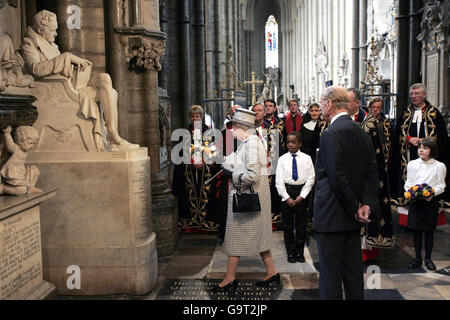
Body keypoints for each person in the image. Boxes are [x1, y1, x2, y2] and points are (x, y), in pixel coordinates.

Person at [21, 10, 137, 151]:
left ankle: (113, 133)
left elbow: (58, 66)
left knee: (105, 79)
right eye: (53, 30)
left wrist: (74, 67)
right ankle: (113, 136)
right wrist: (66, 58)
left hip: (67, 86)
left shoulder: (52, 46)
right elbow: (36, 69)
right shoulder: (29, 45)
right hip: (54, 92)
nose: (56, 34)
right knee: (107, 92)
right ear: (41, 29)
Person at [313, 86, 378, 300]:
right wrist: (365, 204)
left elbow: (336, 177)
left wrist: (354, 209)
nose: (321, 106)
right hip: (354, 216)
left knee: (330, 276)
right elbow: (371, 171)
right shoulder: (361, 131)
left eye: (322, 102)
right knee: (352, 274)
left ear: (329, 104)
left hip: (333, 215)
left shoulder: (330, 133)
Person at [214, 108, 279, 292]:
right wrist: (228, 163)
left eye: (233, 127)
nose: (232, 131)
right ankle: (272, 272)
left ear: (242, 127)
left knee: (234, 239)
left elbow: (251, 177)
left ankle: (229, 278)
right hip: (255, 198)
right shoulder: (248, 142)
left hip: (248, 199)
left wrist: (230, 174)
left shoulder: (251, 144)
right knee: (261, 238)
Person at [390, 83, 449, 226]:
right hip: (409, 156)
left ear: (424, 95)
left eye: (417, 93)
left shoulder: (434, 113)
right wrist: (409, 139)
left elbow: (441, 138)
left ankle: (429, 219)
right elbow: (397, 135)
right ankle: (408, 220)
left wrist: (424, 141)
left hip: (429, 159)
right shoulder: (405, 113)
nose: (414, 96)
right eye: (412, 94)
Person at [172, 105, 219, 231]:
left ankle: (205, 220)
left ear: (201, 117)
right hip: (188, 167)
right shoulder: (185, 132)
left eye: (197, 116)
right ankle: (192, 220)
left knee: (205, 191)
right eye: (193, 116)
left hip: (206, 167)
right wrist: (191, 161)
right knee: (190, 191)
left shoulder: (208, 132)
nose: (195, 118)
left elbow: (213, 150)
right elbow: (181, 151)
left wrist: (204, 161)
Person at [360, 101, 396, 262]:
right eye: (372, 107)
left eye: (378, 108)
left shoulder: (371, 123)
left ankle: (368, 249)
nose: (375, 110)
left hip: (370, 172)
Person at [404, 138, 446, 271]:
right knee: (416, 231)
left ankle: (428, 258)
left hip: (430, 202)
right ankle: (417, 258)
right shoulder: (412, 164)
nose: (421, 150)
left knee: (428, 231)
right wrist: (411, 192)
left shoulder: (439, 166)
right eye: (419, 147)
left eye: (425, 148)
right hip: (416, 202)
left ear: (431, 150)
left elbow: (441, 185)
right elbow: (408, 182)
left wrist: (431, 193)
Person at [276, 131, 315, 263]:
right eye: (288, 142)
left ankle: (300, 251)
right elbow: (279, 181)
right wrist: (287, 197)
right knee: (287, 224)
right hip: (286, 191)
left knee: (301, 224)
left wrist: (302, 196)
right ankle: (290, 252)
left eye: (293, 142)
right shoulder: (282, 159)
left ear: (300, 143)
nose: (290, 145)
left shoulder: (307, 158)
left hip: (302, 192)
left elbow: (311, 178)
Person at [0, 126, 41, 195]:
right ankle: (3, 188)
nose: (32, 146)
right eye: (30, 143)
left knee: (35, 170)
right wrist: (6, 134)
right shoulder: (15, 149)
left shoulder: (24, 151)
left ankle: (31, 188)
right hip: (13, 173)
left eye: (33, 144)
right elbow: (9, 146)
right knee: (20, 190)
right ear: (20, 141)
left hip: (21, 172)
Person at [264, 99, 286, 224]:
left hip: (278, 158)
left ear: (274, 108)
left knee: (276, 185)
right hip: (264, 159)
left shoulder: (280, 123)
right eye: (266, 106)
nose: (268, 108)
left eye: (270, 106)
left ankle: (277, 213)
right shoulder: (260, 123)